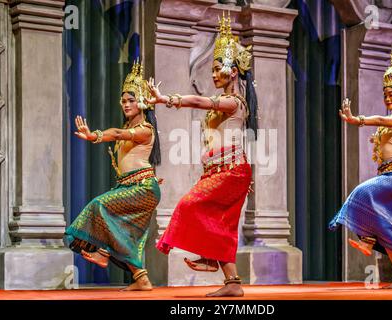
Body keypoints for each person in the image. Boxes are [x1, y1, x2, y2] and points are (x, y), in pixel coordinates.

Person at [146, 13, 257, 297]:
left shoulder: (232, 101)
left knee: (187, 205)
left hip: (231, 171)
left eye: (218, 68)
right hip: (223, 171)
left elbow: (199, 100)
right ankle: (232, 283)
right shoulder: (223, 103)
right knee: (221, 223)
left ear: (233, 72)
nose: (213, 73)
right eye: (212, 68)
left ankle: (211, 258)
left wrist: (166, 99)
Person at [329, 43, 392, 289]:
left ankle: (366, 238)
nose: (387, 98)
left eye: (391, 94)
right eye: (385, 94)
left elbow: (382, 119)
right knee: (386, 225)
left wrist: (358, 120)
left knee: (362, 193)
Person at [65, 61, 161, 291]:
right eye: (123, 100)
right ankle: (141, 278)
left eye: (131, 100)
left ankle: (102, 254)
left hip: (142, 188)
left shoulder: (145, 129)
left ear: (142, 103)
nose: (125, 104)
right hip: (133, 185)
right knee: (122, 232)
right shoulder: (130, 127)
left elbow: (118, 133)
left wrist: (94, 136)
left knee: (99, 205)